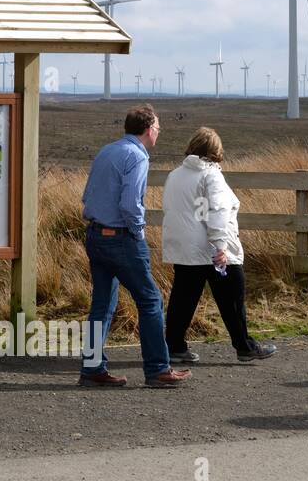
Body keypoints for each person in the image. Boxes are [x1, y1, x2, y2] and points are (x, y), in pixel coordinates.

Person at [78, 104, 190, 388]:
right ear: (149, 129)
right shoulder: (138, 157)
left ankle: (92, 368)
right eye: (158, 129)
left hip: (94, 235)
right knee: (150, 300)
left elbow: (87, 195)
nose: (159, 134)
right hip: (120, 237)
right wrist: (138, 232)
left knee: (101, 305)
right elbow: (130, 204)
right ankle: (157, 369)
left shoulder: (107, 151)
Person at [161, 127, 277, 363]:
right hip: (211, 251)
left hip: (184, 249)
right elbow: (217, 211)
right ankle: (244, 346)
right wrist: (221, 246)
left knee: (182, 300)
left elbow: (184, 209)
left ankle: (173, 346)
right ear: (215, 151)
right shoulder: (211, 175)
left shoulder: (175, 175)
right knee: (233, 297)